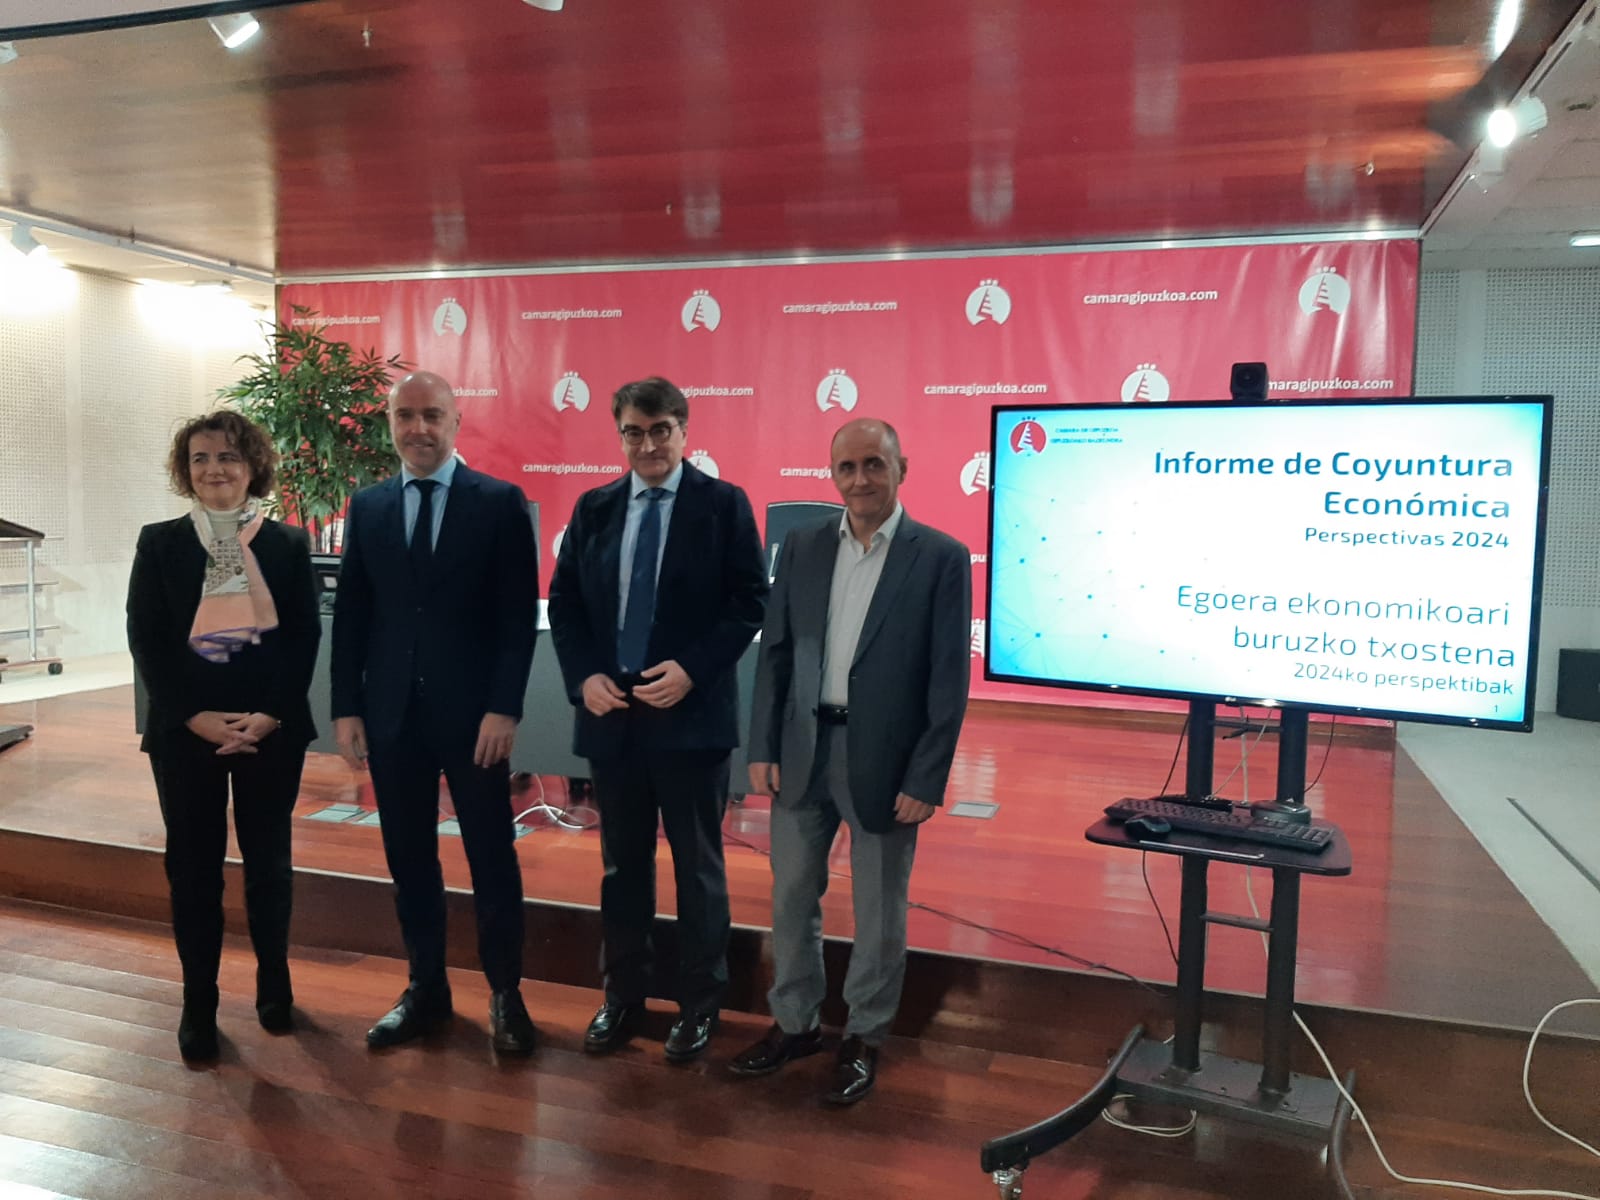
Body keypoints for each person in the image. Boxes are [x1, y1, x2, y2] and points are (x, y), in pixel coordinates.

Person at [732, 417, 971, 1104]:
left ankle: (865, 1036)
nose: (861, 479)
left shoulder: (940, 556)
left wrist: (927, 776)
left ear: (902, 467)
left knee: (879, 909)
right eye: (847, 467)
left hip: (887, 765)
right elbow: (775, 655)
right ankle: (795, 1023)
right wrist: (763, 748)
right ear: (832, 474)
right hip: (801, 755)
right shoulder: (804, 547)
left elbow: (946, 678)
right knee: (790, 898)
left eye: (874, 464)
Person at [547, 376, 766, 1063]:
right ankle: (624, 998)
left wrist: (693, 669)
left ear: (684, 431)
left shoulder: (723, 506)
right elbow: (567, 604)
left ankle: (701, 1006)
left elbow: (748, 604)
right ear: (620, 436)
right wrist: (584, 678)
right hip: (614, 722)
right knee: (622, 870)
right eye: (634, 433)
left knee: (698, 870)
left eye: (660, 430)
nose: (647, 444)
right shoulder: (595, 508)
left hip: (691, 719)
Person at [330, 370, 540, 1056]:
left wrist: (504, 708)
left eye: (432, 416)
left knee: (490, 857)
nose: (418, 428)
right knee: (409, 859)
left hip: (476, 721)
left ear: (457, 422)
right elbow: (353, 617)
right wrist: (345, 708)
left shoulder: (500, 503)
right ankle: (426, 989)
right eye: (405, 415)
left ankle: (506, 993)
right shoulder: (368, 507)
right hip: (391, 717)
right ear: (390, 423)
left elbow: (516, 621)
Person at [127, 410, 320, 1062]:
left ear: (252, 467)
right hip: (187, 733)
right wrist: (194, 716)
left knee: (270, 864)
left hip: (271, 727)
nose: (215, 469)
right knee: (193, 869)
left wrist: (269, 712)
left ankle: (274, 983)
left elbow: (302, 640)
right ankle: (199, 1002)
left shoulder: (288, 545)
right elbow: (147, 641)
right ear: (186, 470)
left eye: (229, 458)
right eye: (202, 458)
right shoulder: (159, 543)